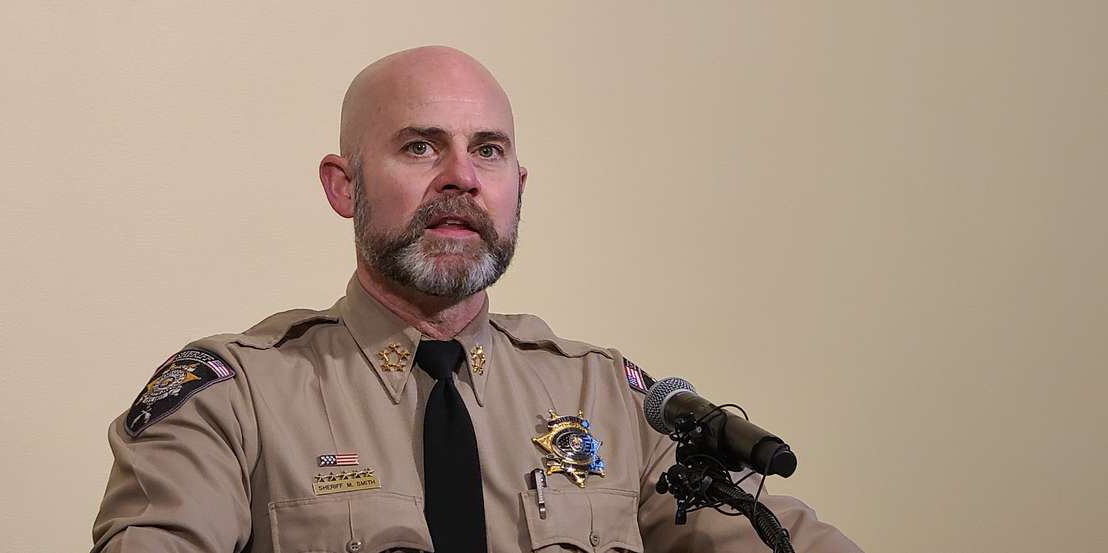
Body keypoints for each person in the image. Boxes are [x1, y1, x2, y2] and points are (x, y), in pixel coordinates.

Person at [91, 46, 861, 553]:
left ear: (516, 189)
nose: (460, 176)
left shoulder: (610, 399)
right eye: (420, 145)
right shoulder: (234, 399)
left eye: (487, 150)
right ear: (344, 184)